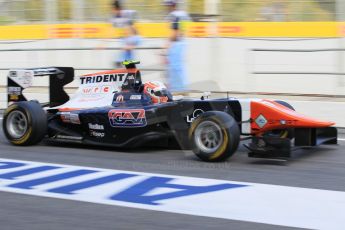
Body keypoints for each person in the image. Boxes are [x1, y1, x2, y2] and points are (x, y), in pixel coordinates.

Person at [162, 0, 190, 93]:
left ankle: (177, 90)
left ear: (171, 5)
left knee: (174, 67)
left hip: (176, 44)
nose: (166, 8)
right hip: (182, 42)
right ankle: (182, 88)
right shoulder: (183, 14)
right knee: (178, 67)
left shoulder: (174, 15)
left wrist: (165, 47)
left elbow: (174, 33)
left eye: (167, 5)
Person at [111, 0, 141, 67]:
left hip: (132, 39)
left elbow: (135, 34)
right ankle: (121, 63)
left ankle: (122, 64)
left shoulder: (127, 16)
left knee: (127, 60)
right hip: (129, 41)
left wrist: (131, 44)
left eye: (113, 9)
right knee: (124, 58)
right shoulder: (121, 18)